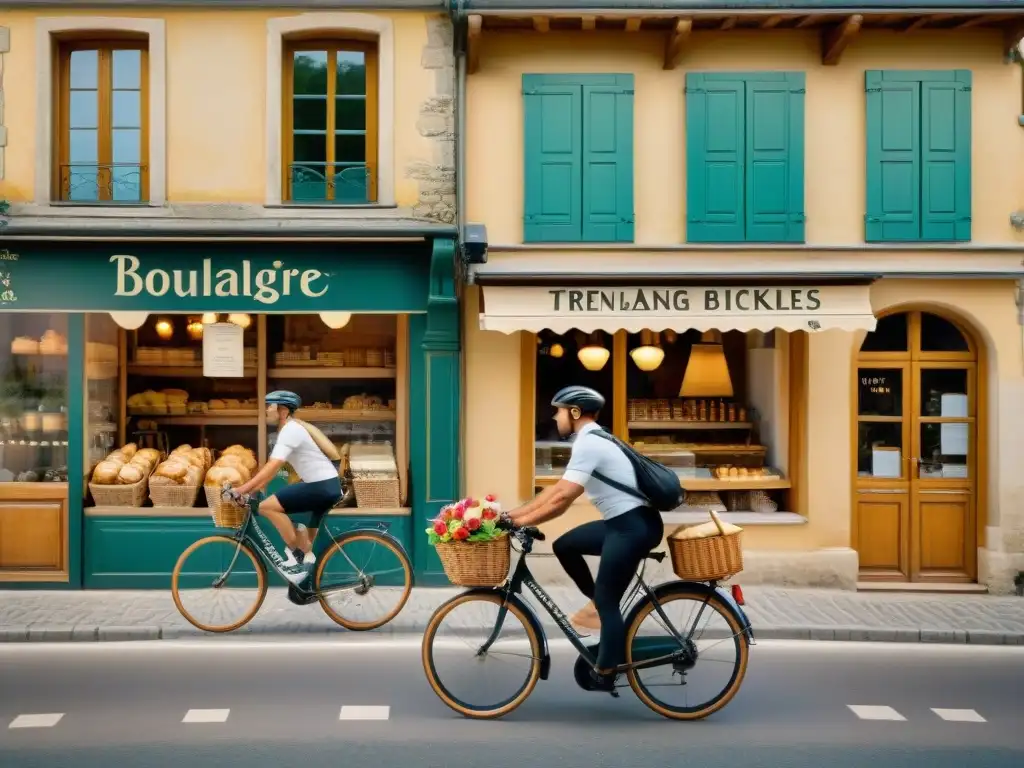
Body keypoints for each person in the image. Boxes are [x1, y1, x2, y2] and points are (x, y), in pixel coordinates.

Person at [506, 385, 664, 692]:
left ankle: (605, 671)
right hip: (625, 524)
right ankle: (601, 605)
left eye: (559, 410)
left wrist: (519, 522)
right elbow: (555, 490)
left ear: (575, 412)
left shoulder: (589, 443)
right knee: (565, 545)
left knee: (608, 603)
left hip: (631, 528)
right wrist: (513, 517)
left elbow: (561, 500)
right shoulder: (591, 439)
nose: (555, 417)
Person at [232, 390, 342, 586]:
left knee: (267, 507)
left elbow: (273, 465)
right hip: (325, 485)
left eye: (270, 406)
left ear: (282, 410)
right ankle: (307, 585)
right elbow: (274, 468)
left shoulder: (290, 430)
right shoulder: (288, 430)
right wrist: (257, 488)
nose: (266, 410)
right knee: (308, 546)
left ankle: (297, 557)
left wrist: (242, 489)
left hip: (320, 486)